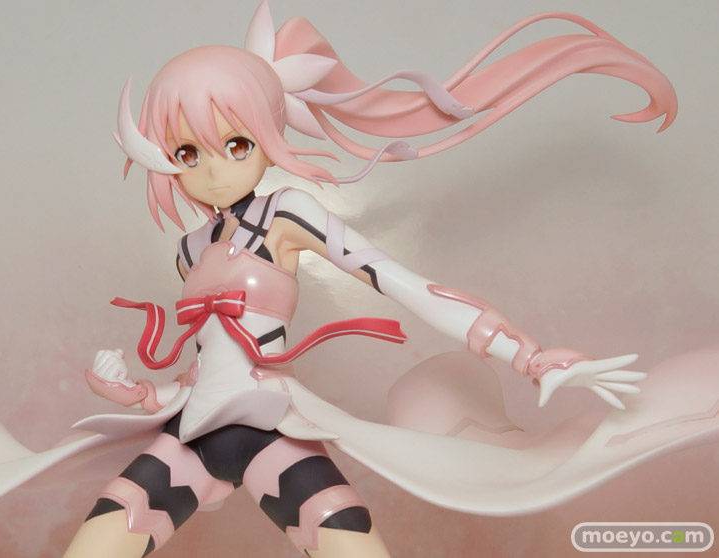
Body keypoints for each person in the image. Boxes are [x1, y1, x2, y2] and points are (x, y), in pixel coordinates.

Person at [61, 3, 691, 557]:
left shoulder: (288, 213)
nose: (212, 170)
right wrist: (135, 393)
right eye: (187, 154)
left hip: (271, 427)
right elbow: (205, 365)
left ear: (267, 134)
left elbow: (404, 285)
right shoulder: (190, 250)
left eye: (236, 143)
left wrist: (526, 357)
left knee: (350, 542)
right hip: (190, 436)